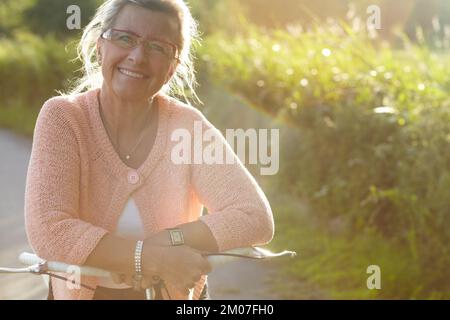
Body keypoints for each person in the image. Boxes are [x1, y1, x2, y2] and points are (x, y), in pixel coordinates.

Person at [24, 0, 274, 300]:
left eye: (158, 46)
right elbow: (52, 230)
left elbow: (254, 216)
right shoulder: (64, 117)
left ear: (172, 68)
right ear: (100, 45)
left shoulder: (188, 127)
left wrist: (168, 240)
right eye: (125, 38)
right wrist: (154, 259)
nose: (138, 56)